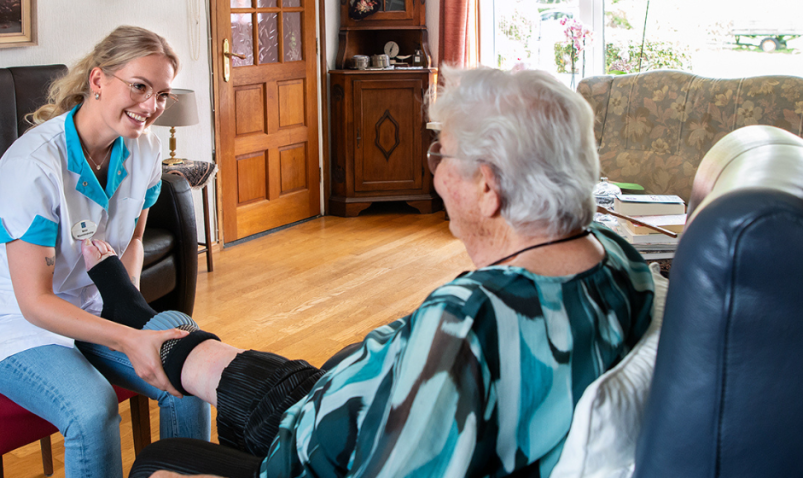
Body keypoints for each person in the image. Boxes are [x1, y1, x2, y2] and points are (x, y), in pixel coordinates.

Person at [78, 67, 656, 478]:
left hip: (331, 442)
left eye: (440, 155)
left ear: (487, 187)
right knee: (245, 369)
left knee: (160, 460)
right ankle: (148, 326)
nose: (434, 176)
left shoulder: (469, 326)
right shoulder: (618, 258)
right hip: (358, 394)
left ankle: (137, 320)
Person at [0, 25, 211, 477]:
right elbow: (34, 301)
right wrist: (131, 339)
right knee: (93, 409)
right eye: (139, 87)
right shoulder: (31, 165)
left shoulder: (145, 149)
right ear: (97, 81)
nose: (150, 107)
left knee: (186, 365)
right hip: (14, 324)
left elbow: (131, 241)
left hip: (93, 310)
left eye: (162, 94)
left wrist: (126, 307)